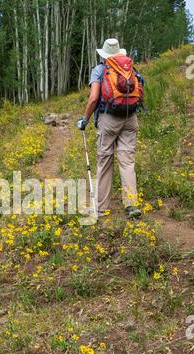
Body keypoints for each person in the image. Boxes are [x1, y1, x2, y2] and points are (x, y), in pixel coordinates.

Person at [78, 38, 144, 220]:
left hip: (109, 119)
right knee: (127, 162)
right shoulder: (130, 69)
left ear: (104, 54)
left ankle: (100, 208)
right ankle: (131, 205)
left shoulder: (100, 69)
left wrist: (85, 120)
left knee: (105, 163)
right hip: (130, 118)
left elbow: (93, 99)